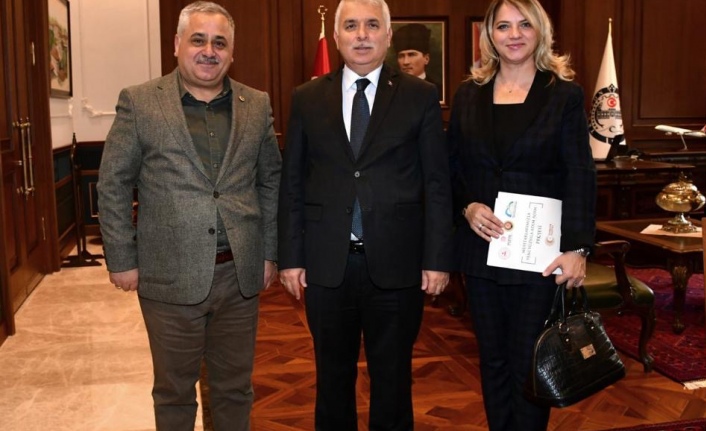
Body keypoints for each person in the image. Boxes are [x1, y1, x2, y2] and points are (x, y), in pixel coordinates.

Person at [96, 2, 281, 430]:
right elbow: (113, 183)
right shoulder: (140, 102)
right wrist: (122, 259)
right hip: (167, 276)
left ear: (232, 52)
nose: (209, 51)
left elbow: (270, 181)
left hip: (239, 276)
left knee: (234, 389)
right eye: (198, 40)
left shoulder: (256, 104)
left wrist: (269, 252)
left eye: (220, 43)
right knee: (174, 393)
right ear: (177, 44)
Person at [277, 0, 453, 429]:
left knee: (393, 382)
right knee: (331, 381)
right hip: (326, 263)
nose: (361, 35)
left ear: (387, 36)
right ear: (337, 36)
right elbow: (293, 182)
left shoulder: (420, 96)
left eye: (372, 25)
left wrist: (437, 259)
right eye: (351, 25)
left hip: (397, 264)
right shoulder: (307, 97)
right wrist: (291, 257)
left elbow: (437, 183)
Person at [447, 0, 596, 430]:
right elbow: (451, 167)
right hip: (482, 251)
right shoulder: (468, 94)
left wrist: (577, 248)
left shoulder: (564, 95)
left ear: (540, 32)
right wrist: (467, 206)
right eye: (504, 26)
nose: (514, 34)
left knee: (530, 360)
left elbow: (579, 173)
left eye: (524, 24)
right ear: (489, 34)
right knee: (492, 359)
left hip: (539, 256)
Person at [391, 23, 443, 97]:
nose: (406, 62)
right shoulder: (390, 90)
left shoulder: (439, 91)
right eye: (401, 56)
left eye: (411, 55)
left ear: (426, 59)